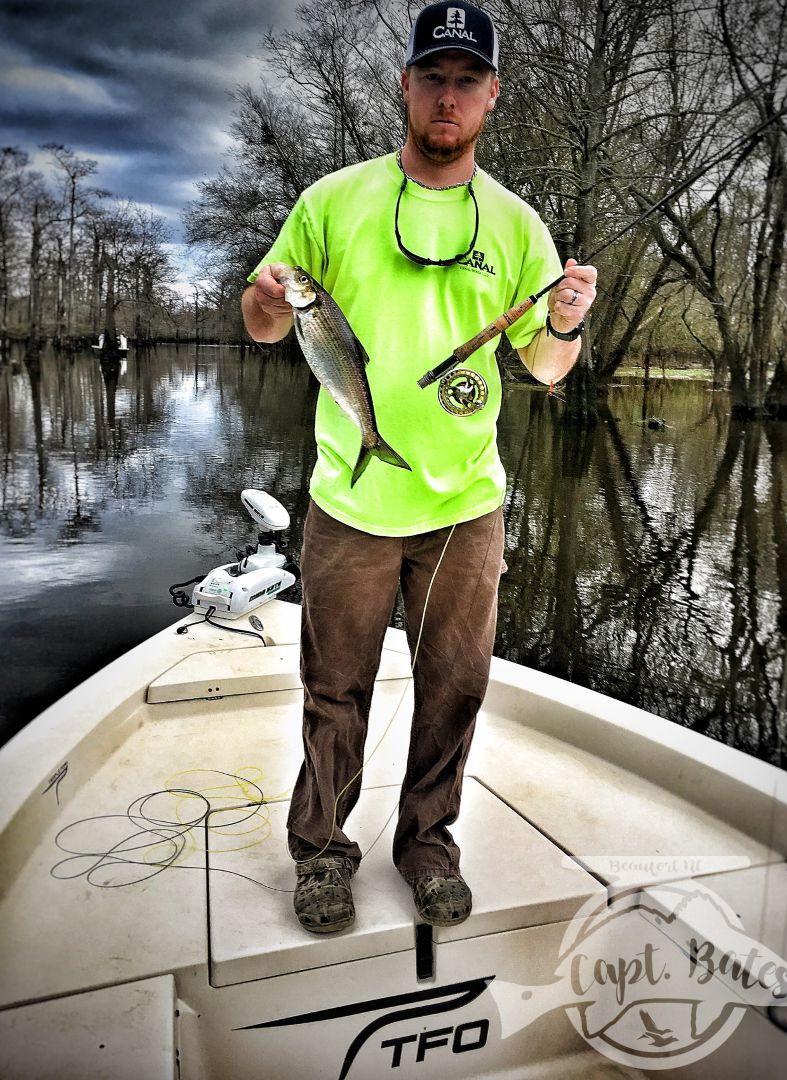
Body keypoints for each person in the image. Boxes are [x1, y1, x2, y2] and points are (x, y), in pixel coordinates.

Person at [241, 0, 596, 934]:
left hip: (464, 507)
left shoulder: (519, 226)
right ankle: (323, 852)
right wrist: (272, 297)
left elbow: (545, 367)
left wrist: (563, 320)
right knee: (335, 687)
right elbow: (262, 320)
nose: (448, 95)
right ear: (405, 86)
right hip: (348, 506)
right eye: (432, 76)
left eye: (466, 80)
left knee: (454, 688)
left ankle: (427, 845)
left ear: (491, 97)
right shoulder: (330, 202)